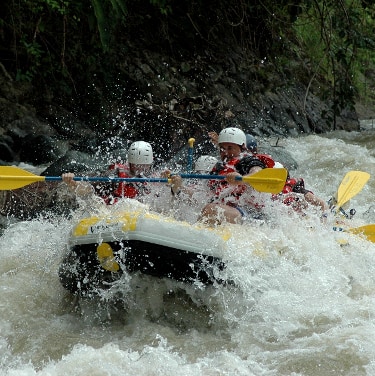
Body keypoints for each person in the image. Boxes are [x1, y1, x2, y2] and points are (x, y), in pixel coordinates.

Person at [170, 127, 275, 225]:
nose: (225, 152)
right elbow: (202, 196)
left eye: (230, 148)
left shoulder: (248, 161)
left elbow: (257, 173)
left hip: (251, 214)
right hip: (227, 210)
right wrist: (178, 187)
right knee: (209, 208)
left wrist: (241, 179)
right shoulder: (219, 168)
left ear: (241, 147)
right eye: (222, 149)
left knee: (211, 210)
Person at [62, 141, 154, 204]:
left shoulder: (152, 178)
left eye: (144, 165)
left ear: (150, 164)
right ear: (129, 163)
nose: (140, 168)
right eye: (136, 164)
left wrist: (168, 184)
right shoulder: (113, 176)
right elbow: (87, 189)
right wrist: (72, 182)